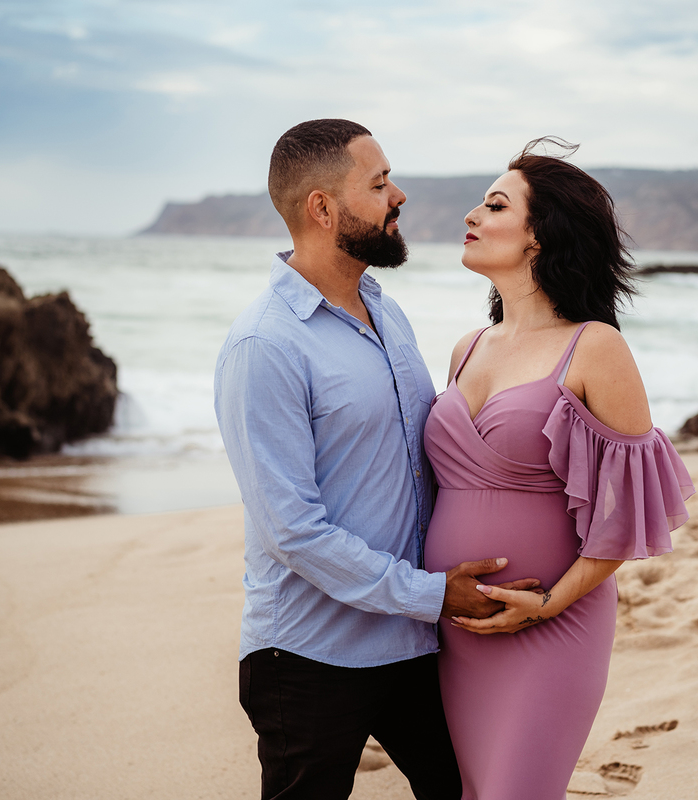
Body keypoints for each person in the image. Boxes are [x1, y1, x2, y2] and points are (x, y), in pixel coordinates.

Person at [214, 119, 539, 800]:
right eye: (380, 182)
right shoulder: (265, 346)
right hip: (308, 655)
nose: (400, 196)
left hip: (412, 643)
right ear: (323, 208)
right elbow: (292, 530)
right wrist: (431, 593)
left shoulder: (387, 315)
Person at [422, 139, 696, 798]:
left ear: (542, 234)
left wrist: (546, 603)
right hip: (454, 630)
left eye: (494, 205)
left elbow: (626, 518)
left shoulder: (595, 347)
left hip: (556, 626)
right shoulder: (466, 348)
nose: (472, 215)